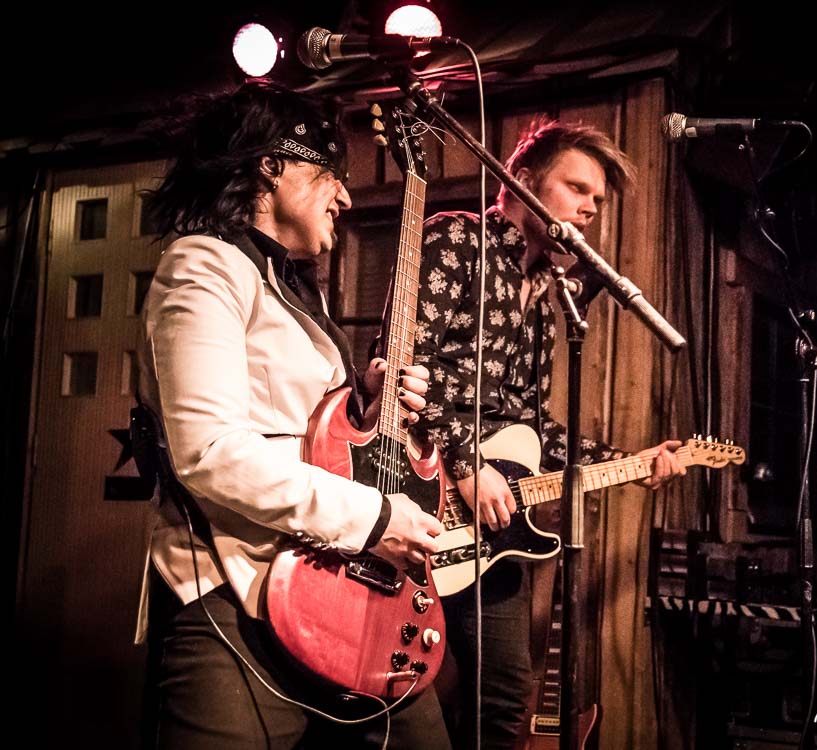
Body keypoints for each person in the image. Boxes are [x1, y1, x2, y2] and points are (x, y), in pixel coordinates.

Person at [135, 80, 450, 749]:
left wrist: (364, 403)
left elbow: (301, 430)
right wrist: (376, 519)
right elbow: (211, 451)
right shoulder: (204, 265)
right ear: (271, 167)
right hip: (235, 596)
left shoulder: (296, 288)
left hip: (338, 590)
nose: (345, 196)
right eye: (332, 174)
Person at [411, 119, 687, 749]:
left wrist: (632, 461)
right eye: (576, 187)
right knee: (403, 686)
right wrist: (465, 465)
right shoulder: (457, 240)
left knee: (506, 696)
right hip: (416, 492)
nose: (589, 208)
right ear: (522, 178)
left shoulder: (547, 294)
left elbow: (533, 428)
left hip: (488, 531)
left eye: (598, 200)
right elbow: (407, 362)